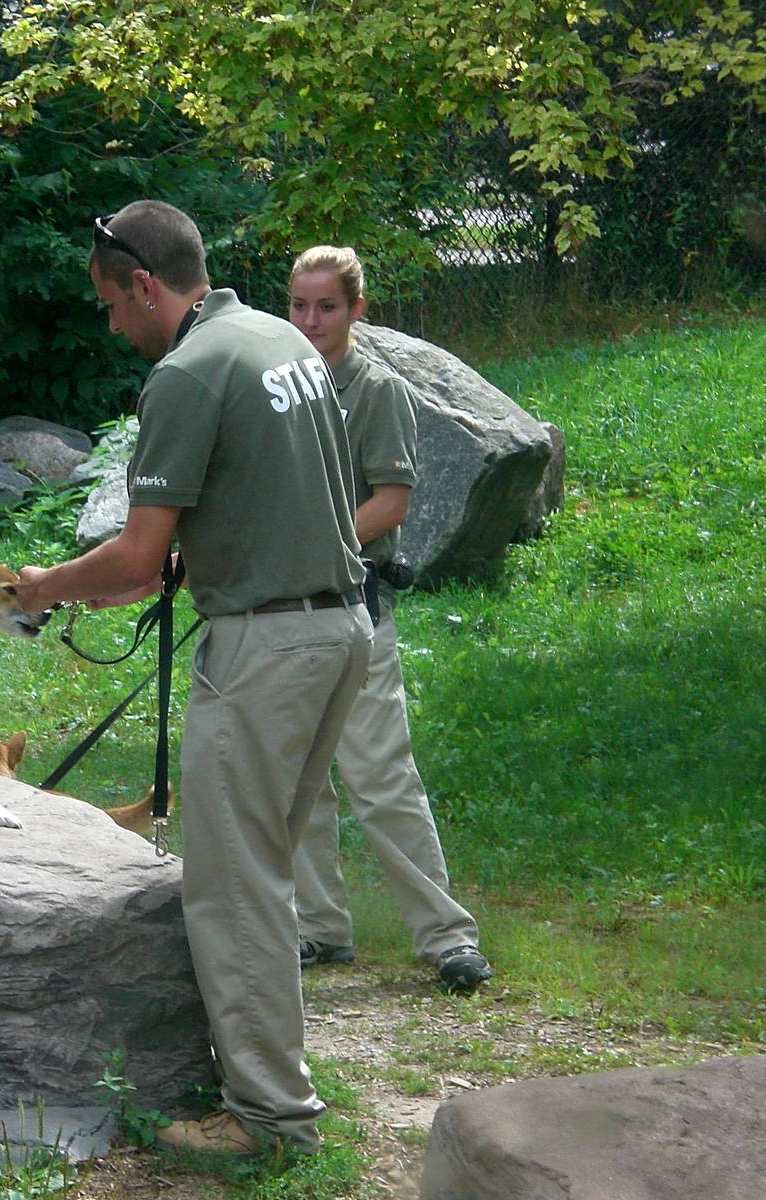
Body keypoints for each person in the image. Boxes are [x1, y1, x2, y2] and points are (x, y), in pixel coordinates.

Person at [13, 202, 374, 1157]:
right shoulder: (275, 339)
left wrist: (46, 584)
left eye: (109, 303)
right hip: (341, 628)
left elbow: (134, 562)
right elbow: (287, 488)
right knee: (267, 868)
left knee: (231, 885)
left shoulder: (183, 374)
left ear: (143, 283)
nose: (110, 325)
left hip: (267, 653)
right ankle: (274, 1084)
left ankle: (268, 1121)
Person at [286, 245, 493, 994]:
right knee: (300, 781)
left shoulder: (377, 391)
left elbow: (391, 504)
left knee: (381, 776)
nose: (311, 321)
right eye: (300, 306)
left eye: (327, 307)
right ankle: (317, 926)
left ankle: (445, 936)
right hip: (283, 615)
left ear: (356, 310)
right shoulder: (275, 385)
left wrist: (306, 545)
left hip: (354, 604)